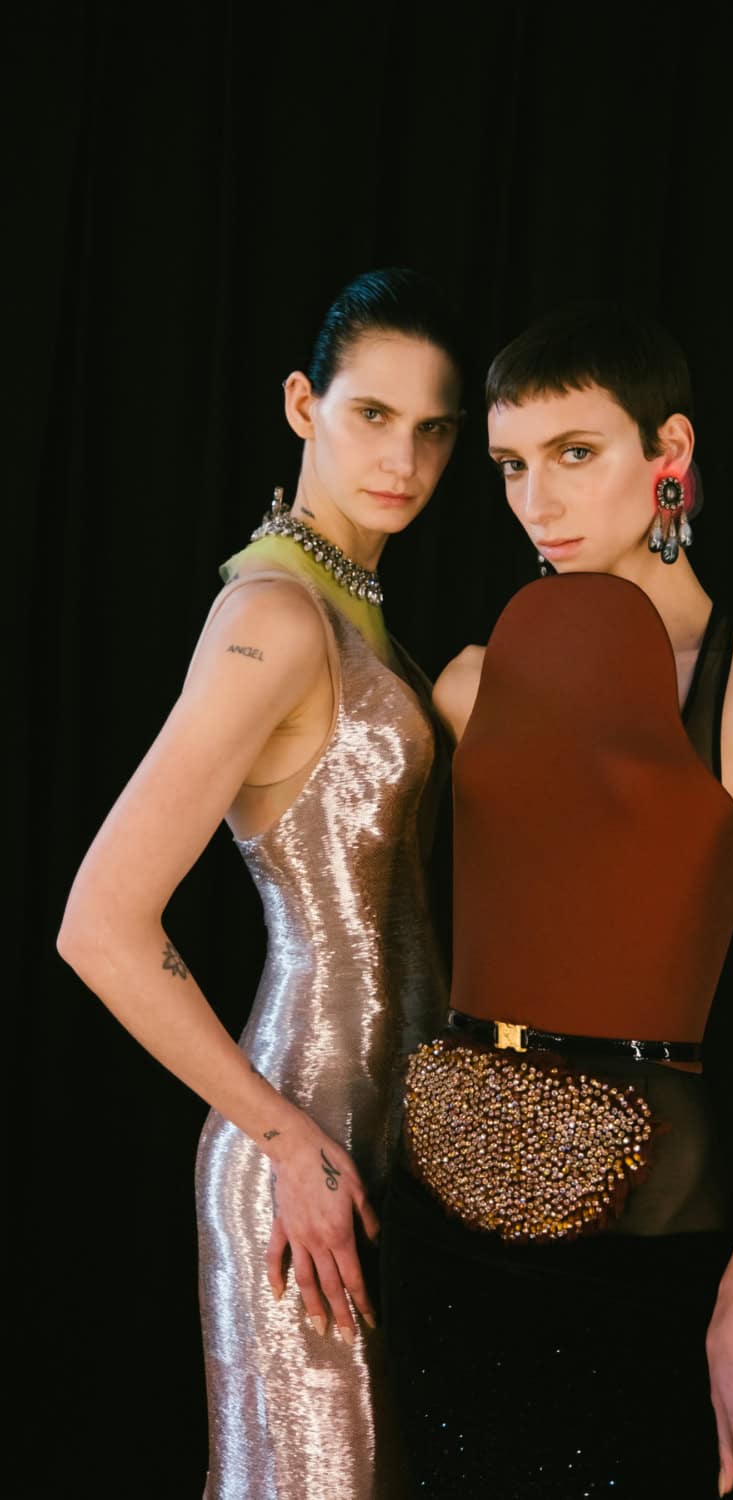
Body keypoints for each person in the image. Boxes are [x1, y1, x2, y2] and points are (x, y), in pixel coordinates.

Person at [381, 302, 733, 1499]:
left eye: (574, 453)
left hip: (652, 1248)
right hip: (440, 1235)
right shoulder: (468, 683)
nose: (535, 502)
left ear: (669, 453)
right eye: (509, 466)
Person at [57, 266, 464, 1499]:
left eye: (434, 428)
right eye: (371, 415)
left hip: (381, 1151)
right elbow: (100, 924)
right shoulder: (278, 617)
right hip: (300, 1164)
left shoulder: (355, 612)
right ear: (301, 405)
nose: (402, 459)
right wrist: (284, 1138)